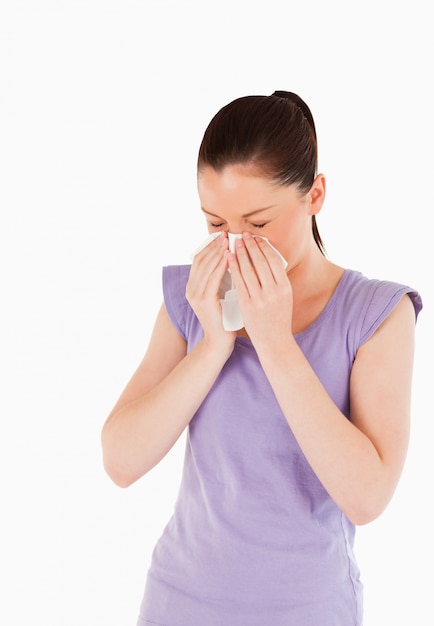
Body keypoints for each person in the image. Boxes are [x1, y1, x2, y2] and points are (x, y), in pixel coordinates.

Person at [101, 91, 423, 625]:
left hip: (308, 611)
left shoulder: (375, 314)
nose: (233, 245)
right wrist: (214, 342)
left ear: (315, 194)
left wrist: (274, 340)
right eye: (214, 224)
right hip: (178, 604)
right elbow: (120, 460)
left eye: (257, 223)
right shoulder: (192, 298)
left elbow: (367, 497)